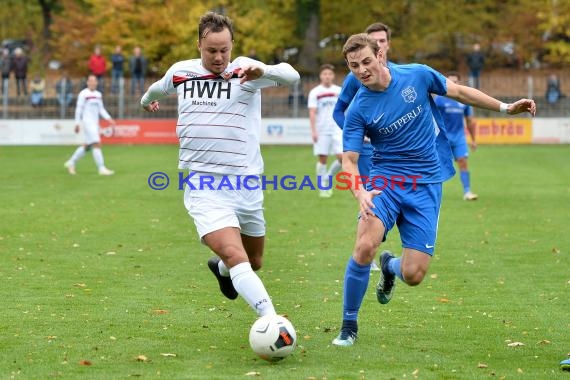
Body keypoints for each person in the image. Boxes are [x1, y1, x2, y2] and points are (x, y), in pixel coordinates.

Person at [332, 33, 536, 346]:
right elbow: (349, 160)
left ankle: (390, 266)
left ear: (380, 56)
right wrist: (360, 192)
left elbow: (459, 92)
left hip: (425, 184)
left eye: (366, 61)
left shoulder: (417, 75)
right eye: (354, 65)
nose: (361, 70)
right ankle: (348, 327)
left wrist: (506, 107)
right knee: (364, 246)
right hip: (384, 182)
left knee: (413, 274)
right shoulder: (358, 108)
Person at [140, 12, 300, 318]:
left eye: (224, 50)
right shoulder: (181, 72)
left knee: (253, 261)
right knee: (234, 253)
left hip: (246, 184)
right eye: (212, 50)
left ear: (232, 45)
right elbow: (157, 89)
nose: (219, 57)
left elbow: (291, 76)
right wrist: (146, 101)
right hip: (204, 184)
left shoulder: (246, 71)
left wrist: (261, 69)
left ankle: (223, 271)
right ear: (199, 44)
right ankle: (272, 322)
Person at [333, 22, 392, 271]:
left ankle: (376, 251)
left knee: (393, 197)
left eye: (382, 40)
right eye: (374, 39)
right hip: (368, 151)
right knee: (370, 197)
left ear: (387, 45)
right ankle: (365, 254)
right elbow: (339, 111)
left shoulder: (398, 74)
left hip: (395, 153)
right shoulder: (355, 77)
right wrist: (358, 137)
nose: (379, 44)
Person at [434, 72, 478, 200]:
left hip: (459, 137)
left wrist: (473, 139)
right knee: (437, 166)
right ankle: (435, 193)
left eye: (456, 81)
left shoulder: (464, 101)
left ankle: (467, 191)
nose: (453, 84)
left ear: (459, 83)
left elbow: (469, 121)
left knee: (463, 163)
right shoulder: (439, 100)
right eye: (450, 81)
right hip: (442, 139)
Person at [64, 74, 116, 176]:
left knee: (87, 146)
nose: (92, 83)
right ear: (87, 82)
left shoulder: (98, 94)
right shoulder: (83, 94)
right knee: (96, 143)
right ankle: (101, 168)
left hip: (95, 123)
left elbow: (101, 109)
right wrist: (77, 123)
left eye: (94, 81)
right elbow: (79, 109)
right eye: (90, 81)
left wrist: (109, 118)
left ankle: (71, 162)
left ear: (96, 83)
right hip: (87, 122)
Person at [307, 63, 342, 198]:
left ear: (333, 76)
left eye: (329, 74)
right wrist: (313, 131)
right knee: (323, 159)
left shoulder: (339, 91)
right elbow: (312, 112)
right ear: (321, 76)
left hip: (337, 129)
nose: (327, 76)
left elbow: (345, 109)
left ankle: (327, 178)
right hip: (322, 130)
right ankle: (323, 188)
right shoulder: (315, 92)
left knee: (342, 158)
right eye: (324, 74)